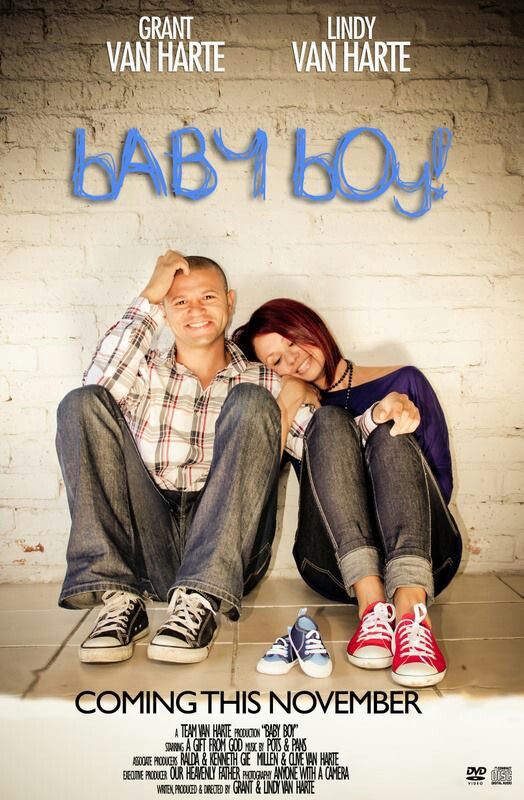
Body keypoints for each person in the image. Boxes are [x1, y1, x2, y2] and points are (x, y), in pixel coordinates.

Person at [56, 252, 312, 665]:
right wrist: (149, 297)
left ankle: (201, 599)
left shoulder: (265, 380)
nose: (196, 310)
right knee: (79, 403)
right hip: (145, 550)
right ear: (165, 310)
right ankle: (119, 598)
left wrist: (372, 415)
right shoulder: (142, 372)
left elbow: (319, 444)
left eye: (208, 297)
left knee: (251, 401)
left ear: (229, 301)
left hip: (229, 557)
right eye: (180, 301)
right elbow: (93, 395)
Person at [233, 298, 463, 687]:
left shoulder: (404, 381)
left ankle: (411, 613)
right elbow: (257, 485)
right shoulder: (297, 407)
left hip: (425, 556)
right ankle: (371, 606)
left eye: (292, 341)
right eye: (277, 360)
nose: (293, 359)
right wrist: (287, 402)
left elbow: (441, 483)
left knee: (388, 433)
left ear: (312, 325)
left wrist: (382, 422)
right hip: (336, 566)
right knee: (328, 421)